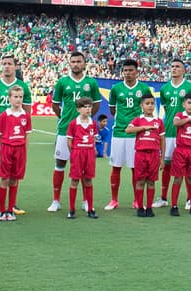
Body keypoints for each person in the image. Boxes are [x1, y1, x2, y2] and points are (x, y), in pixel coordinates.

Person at [49, 51, 102, 213]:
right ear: (69, 64)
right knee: (60, 164)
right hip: (65, 130)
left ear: (84, 64)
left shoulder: (91, 83)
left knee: (85, 168)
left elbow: (97, 104)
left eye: (79, 61)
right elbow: (55, 105)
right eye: (73, 61)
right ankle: (56, 201)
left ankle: (86, 201)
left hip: (84, 132)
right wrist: (66, 118)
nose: (76, 64)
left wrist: (86, 118)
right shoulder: (62, 82)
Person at [0, 55, 31, 217]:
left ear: (15, 66)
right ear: (1, 66)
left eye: (10, 64)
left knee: (13, 171)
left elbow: (27, 111)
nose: (7, 66)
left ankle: (12, 204)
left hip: (15, 137)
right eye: (4, 64)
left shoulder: (23, 87)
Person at [107, 58, 155, 211]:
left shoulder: (144, 88)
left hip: (136, 134)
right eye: (125, 71)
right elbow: (113, 109)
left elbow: (148, 108)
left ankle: (136, 199)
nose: (128, 73)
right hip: (119, 133)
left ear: (137, 72)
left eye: (131, 70)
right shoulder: (115, 88)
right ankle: (114, 200)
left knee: (136, 168)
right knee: (116, 167)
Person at [154, 59, 191, 208]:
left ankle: (188, 199)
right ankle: (164, 198)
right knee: (166, 165)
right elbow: (166, 110)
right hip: (169, 130)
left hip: (185, 132)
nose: (174, 69)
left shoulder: (189, 87)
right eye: (172, 66)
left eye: (177, 67)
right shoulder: (164, 88)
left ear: (184, 70)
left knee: (185, 166)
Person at [0, 85, 31, 221]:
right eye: (15, 97)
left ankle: (11, 210)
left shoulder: (25, 115)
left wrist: (25, 153)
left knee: (15, 179)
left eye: (20, 97)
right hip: (7, 149)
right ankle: (2, 210)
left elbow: (27, 136)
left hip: (20, 150)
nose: (18, 100)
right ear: (9, 98)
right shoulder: (4, 115)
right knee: (5, 179)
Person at [126, 93, 164, 217]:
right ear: (142, 105)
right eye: (147, 104)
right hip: (141, 154)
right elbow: (128, 130)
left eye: (152, 103)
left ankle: (149, 208)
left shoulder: (158, 121)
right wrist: (143, 128)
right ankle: (140, 207)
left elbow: (162, 140)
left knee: (152, 182)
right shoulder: (138, 120)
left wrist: (162, 158)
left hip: (154, 155)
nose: (150, 106)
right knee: (140, 181)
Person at [168, 93, 191, 216]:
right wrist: (189, 119)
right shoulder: (180, 116)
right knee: (178, 178)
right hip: (181, 151)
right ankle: (174, 206)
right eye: (189, 103)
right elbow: (175, 123)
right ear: (184, 104)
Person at [66, 97, 99, 219]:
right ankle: (71, 209)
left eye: (89, 106)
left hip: (89, 152)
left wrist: (92, 148)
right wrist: (73, 153)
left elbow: (94, 138)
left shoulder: (93, 123)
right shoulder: (74, 123)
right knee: (75, 180)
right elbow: (69, 140)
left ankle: (90, 208)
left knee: (88, 180)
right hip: (78, 153)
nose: (88, 109)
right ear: (78, 109)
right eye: (85, 107)